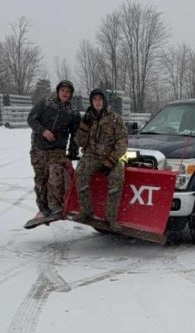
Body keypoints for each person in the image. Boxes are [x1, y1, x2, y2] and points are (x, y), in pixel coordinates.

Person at [26, 80, 81, 223]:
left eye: (68, 92)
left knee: (55, 178)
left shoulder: (73, 112)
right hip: (39, 148)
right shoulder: (46, 103)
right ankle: (43, 209)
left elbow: (75, 134)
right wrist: (43, 131)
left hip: (58, 150)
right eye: (63, 90)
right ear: (58, 91)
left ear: (71, 94)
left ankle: (55, 206)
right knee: (40, 180)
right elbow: (31, 119)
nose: (65, 93)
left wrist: (73, 151)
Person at [74, 89, 128, 226]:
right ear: (91, 102)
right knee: (80, 173)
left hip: (110, 156)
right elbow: (79, 142)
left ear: (104, 101)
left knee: (117, 179)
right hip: (91, 156)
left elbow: (122, 142)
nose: (97, 102)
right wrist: (84, 127)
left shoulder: (115, 118)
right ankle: (86, 210)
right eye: (95, 99)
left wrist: (111, 161)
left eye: (100, 99)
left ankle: (111, 217)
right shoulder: (87, 118)